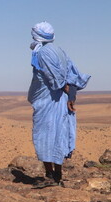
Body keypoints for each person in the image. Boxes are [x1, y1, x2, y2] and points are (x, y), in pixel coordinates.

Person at [27, 21, 91, 188]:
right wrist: (71, 96)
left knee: (45, 136)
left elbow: (55, 78)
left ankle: (50, 176)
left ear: (36, 34)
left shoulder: (43, 53)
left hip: (49, 101)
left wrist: (69, 94)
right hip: (58, 99)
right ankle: (57, 174)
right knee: (58, 135)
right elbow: (71, 73)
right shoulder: (58, 50)